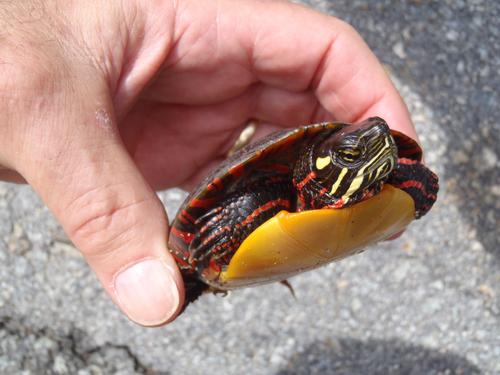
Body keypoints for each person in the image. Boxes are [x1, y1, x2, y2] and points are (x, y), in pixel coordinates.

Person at [0, 0, 418, 326]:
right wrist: (196, 261)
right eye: (349, 155)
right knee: (245, 208)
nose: (378, 146)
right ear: (316, 166)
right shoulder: (275, 191)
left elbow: (418, 181)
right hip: (235, 237)